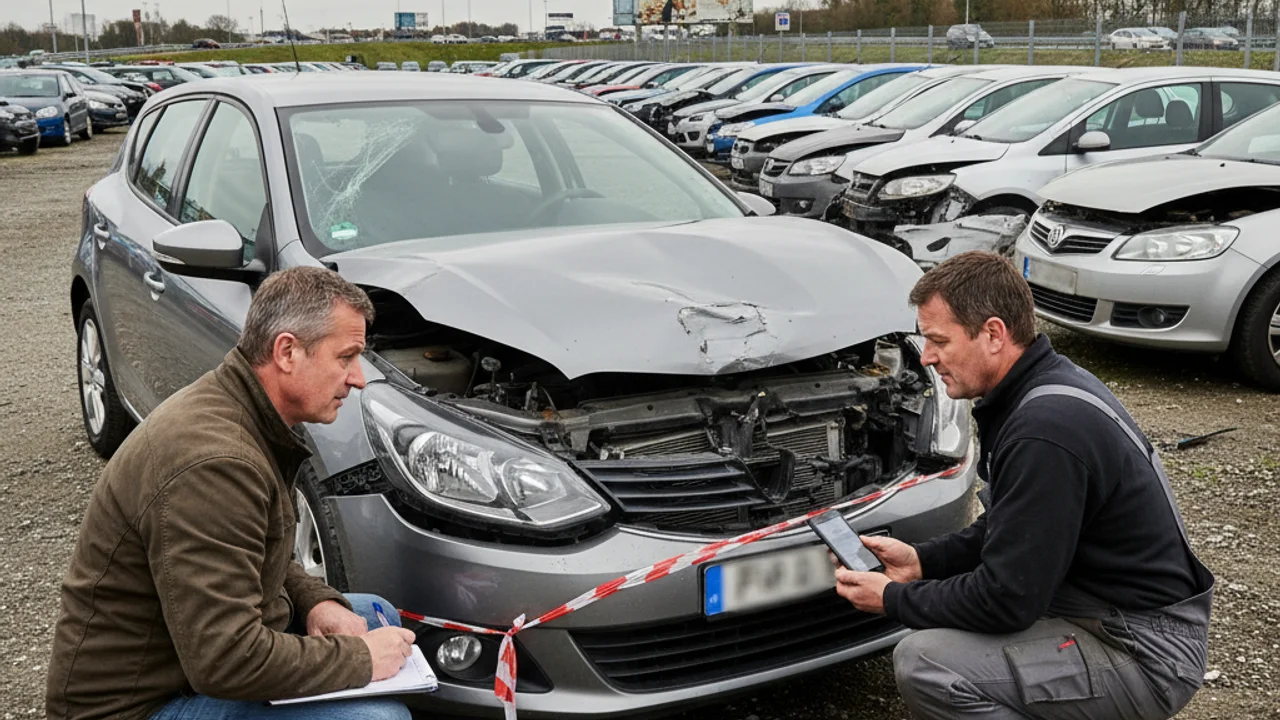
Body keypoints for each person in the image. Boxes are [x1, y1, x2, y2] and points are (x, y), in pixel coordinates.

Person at [832, 251, 1214, 719]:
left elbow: (1006, 601)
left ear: (993, 334)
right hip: (1104, 610)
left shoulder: (1044, 430)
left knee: (928, 662)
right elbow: (1012, 529)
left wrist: (892, 599)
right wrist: (923, 561)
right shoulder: (1036, 391)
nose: (927, 358)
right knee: (941, 637)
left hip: (1144, 649)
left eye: (937, 340)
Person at [47, 267, 416, 720]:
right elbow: (225, 659)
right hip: (138, 705)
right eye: (346, 357)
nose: (358, 378)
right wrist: (359, 660)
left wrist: (312, 599)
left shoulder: (246, 412)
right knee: (378, 718)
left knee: (374, 615)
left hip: (185, 662)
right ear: (287, 352)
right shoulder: (215, 465)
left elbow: (254, 551)